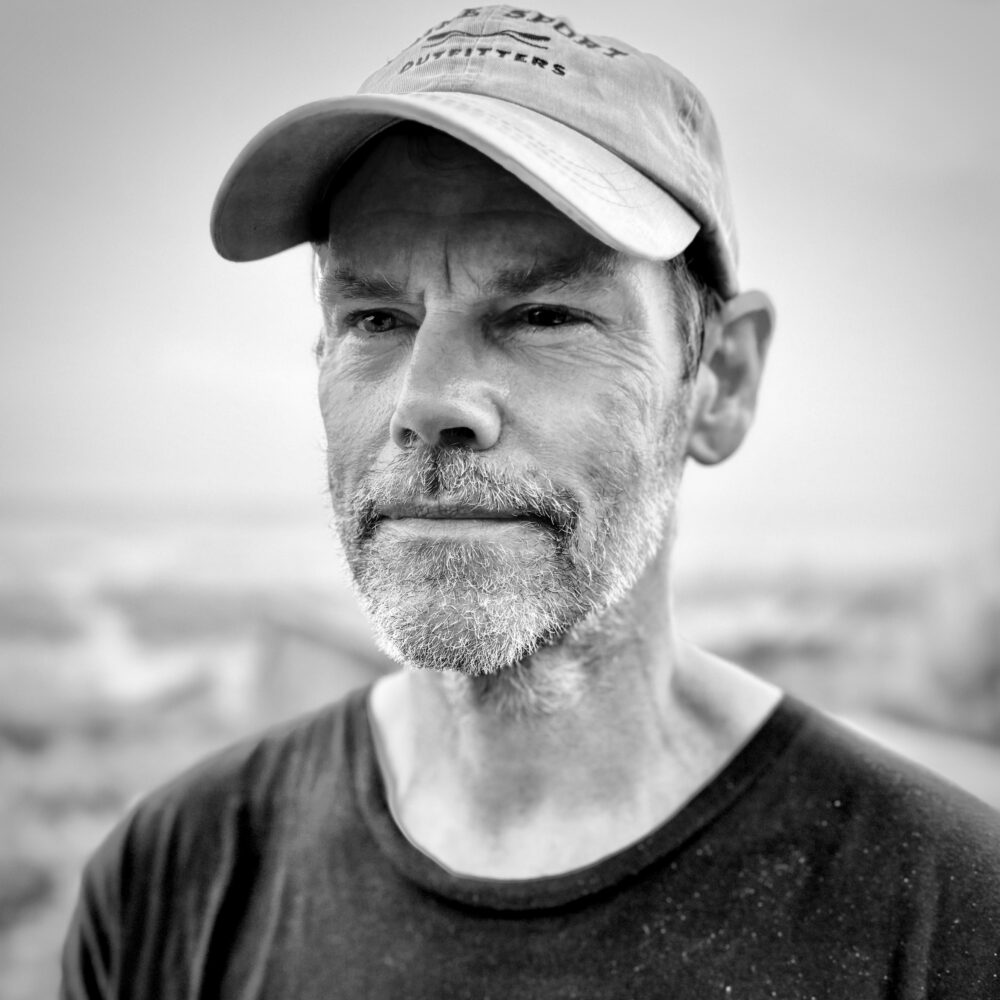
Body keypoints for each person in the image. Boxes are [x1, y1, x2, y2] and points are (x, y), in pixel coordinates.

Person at [61, 6, 999, 997]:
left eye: (544, 314)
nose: (427, 401)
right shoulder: (172, 880)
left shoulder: (947, 915)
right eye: (374, 318)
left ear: (720, 379)